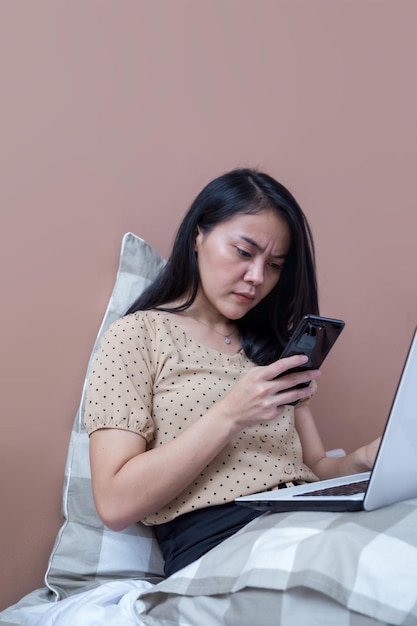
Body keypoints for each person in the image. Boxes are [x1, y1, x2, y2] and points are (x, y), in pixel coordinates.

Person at [84, 168, 380, 577]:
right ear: (197, 236)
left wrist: (368, 459)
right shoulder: (138, 335)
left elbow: (313, 469)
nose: (257, 278)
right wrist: (231, 413)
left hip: (306, 522)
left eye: (274, 265)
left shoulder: (271, 350)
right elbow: (114, 504)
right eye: (244, 252)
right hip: (221, 546)